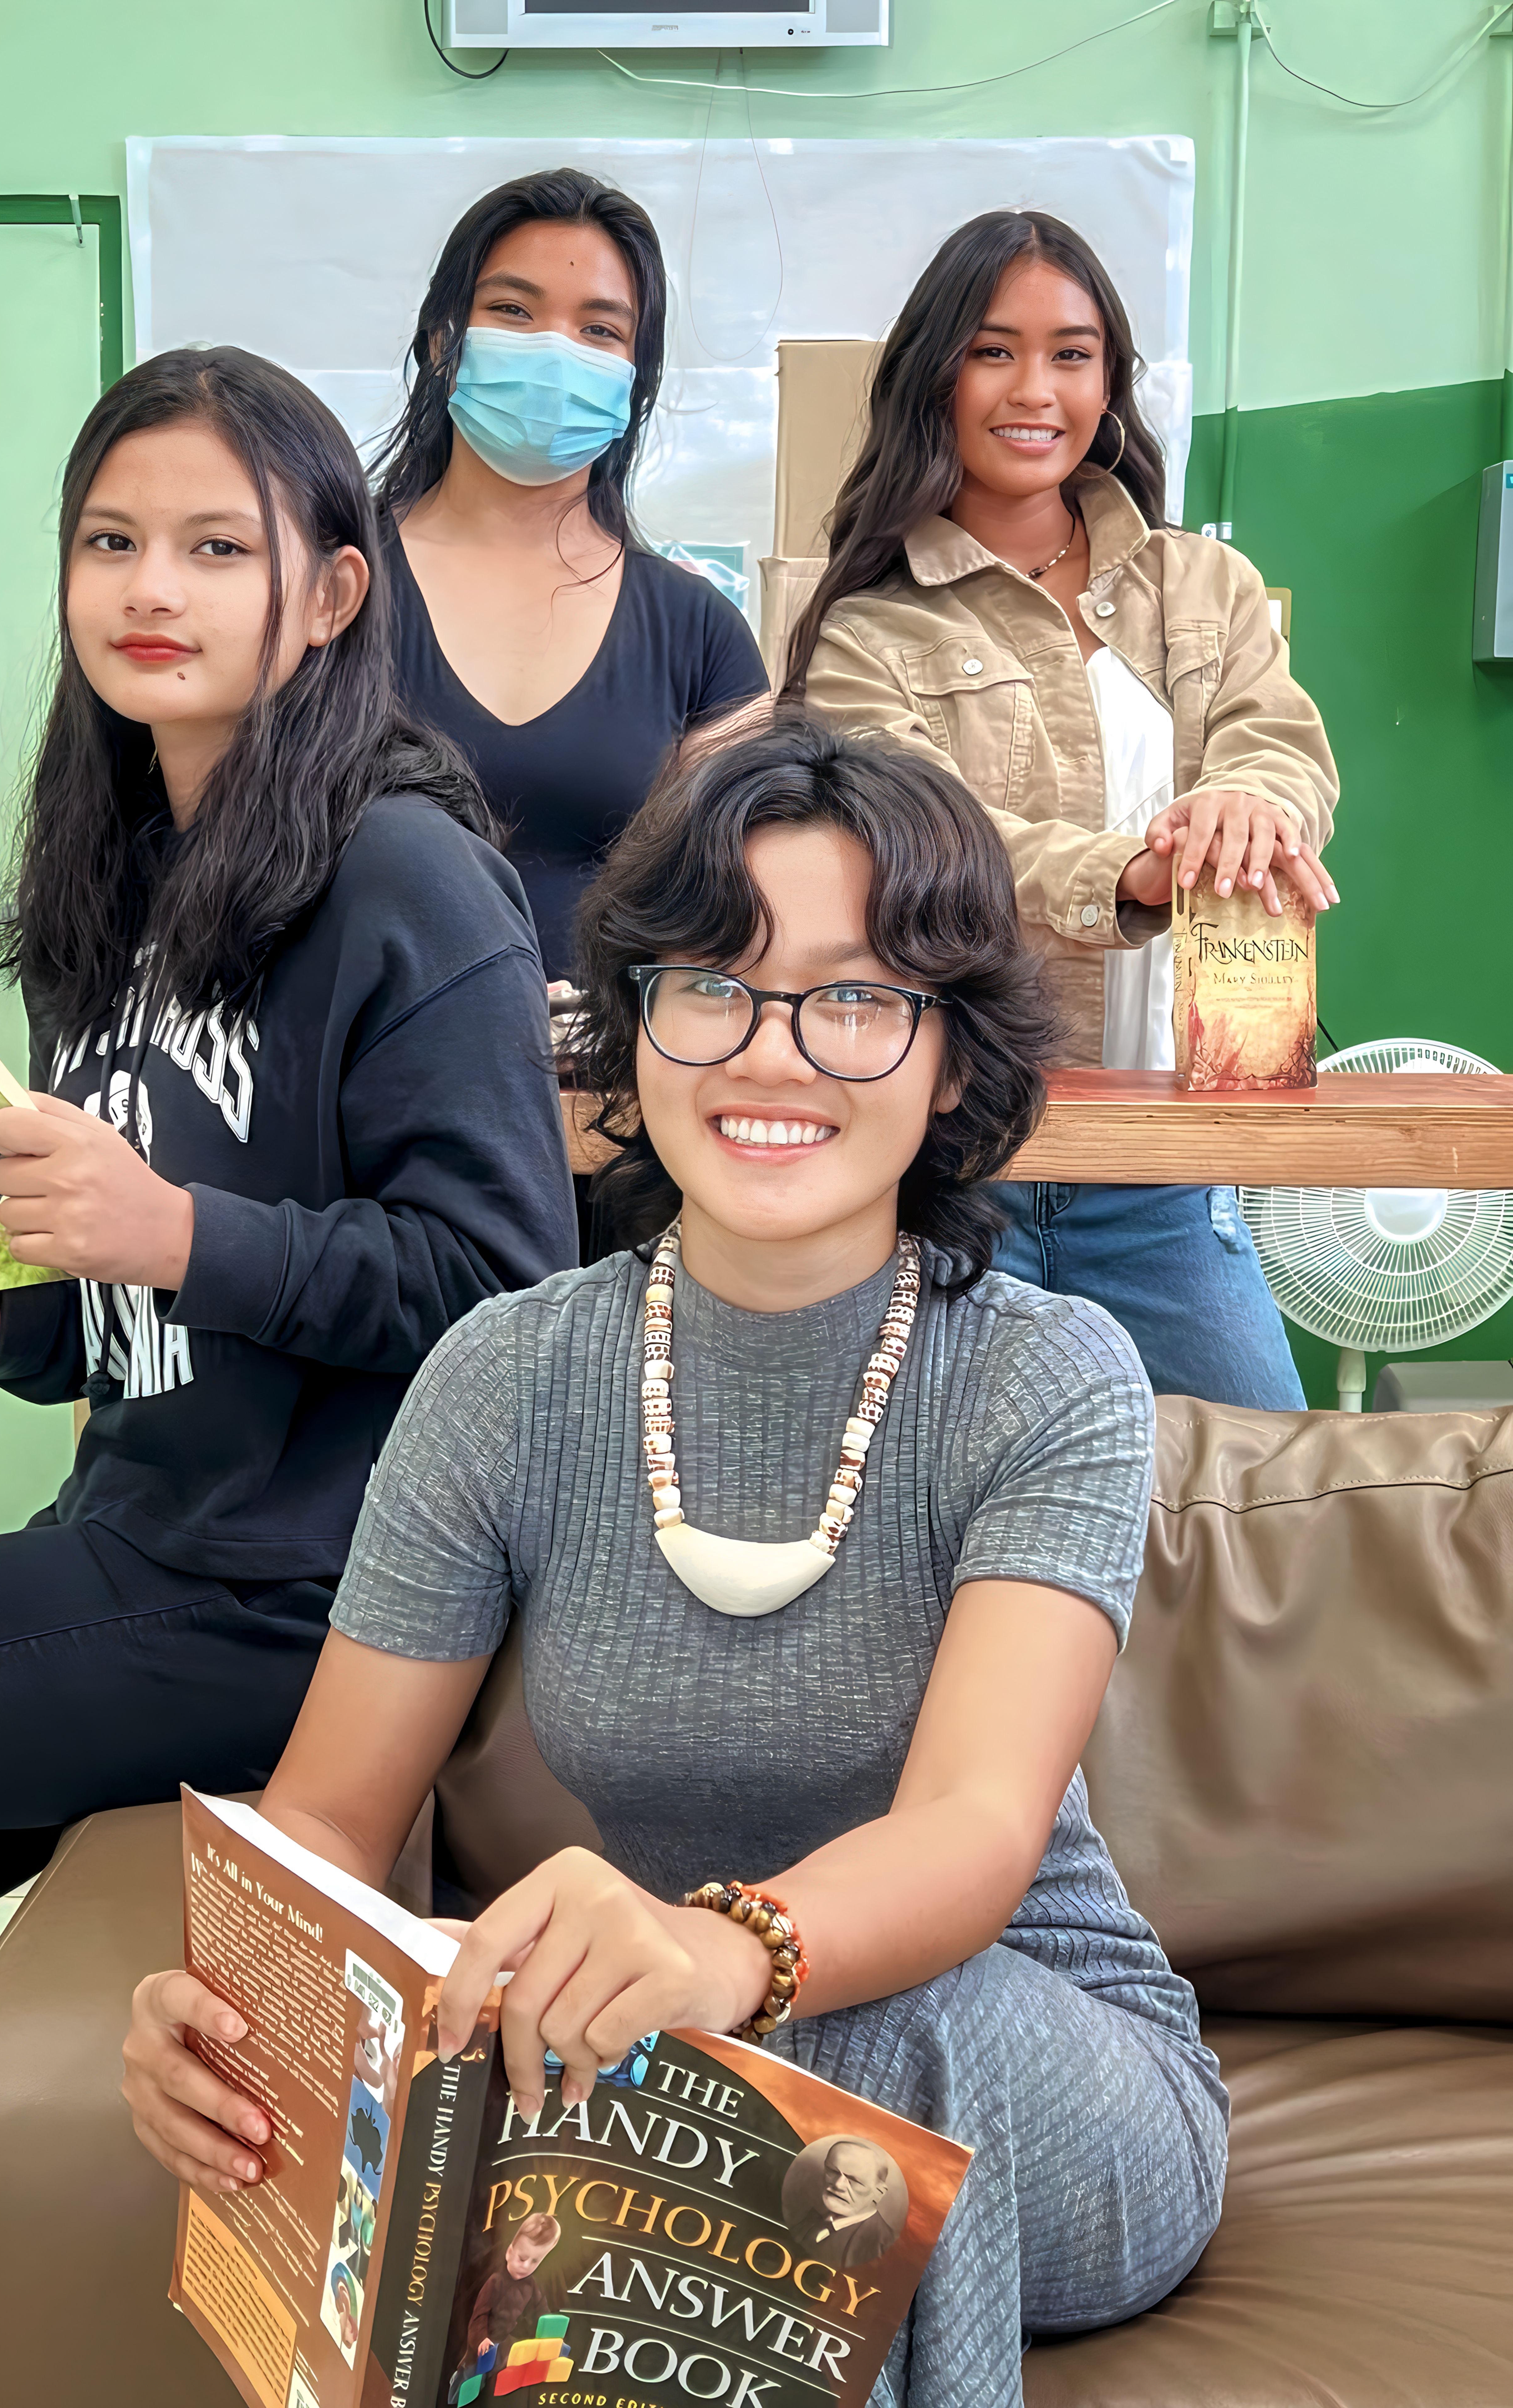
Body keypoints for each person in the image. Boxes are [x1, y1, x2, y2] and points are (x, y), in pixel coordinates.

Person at [122, 714, 1229, 2408]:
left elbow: (972, 1827)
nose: (771, 1056)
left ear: (950, 1057)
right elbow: (330, 1821)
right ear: (634, 1022)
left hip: (1042, 2071)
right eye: (712, 985)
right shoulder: (506, 1373)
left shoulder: (1045, 1371)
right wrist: (225, 1997)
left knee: (867, 2039)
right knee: (565, 2084)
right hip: (668, 2083)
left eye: (854, 1000)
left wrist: (722, 1951)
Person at [0, 345, 576, 2408]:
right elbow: (135, 1315)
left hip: (305, 1607)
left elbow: (505, 1287)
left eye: (212, 545)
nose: (149, 587)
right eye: (110, 541)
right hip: (133, 1547)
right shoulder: (120, 889)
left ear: (332, 591)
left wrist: (172, 1227)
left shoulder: (404, 872)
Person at [785, 210, 1341, 1407]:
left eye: (1071, 354)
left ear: (1109, 382)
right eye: (993, 350)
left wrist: (1247, 797)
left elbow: (1282, 744)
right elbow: (919, 846)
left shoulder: (1206, 584)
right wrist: (1128, 873)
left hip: (1166, 1168)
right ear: (934, 374)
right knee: (916, 1503)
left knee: (1261, 1490)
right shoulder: (866, 630)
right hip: (948, 1165)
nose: (1035, 389)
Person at [373, 167, 769, 986]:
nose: (556, 351)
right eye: (513, 312)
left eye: (599, 330)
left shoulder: (701, 634)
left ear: (634, 378)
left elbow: (740, 898)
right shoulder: (329, 588)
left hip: (607, 1056)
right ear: (443, 340)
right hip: (357, 1054)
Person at [784, 2138, 904, 2270]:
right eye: (833, 2172)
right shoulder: (808, 2219)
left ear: (879, 2192)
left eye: (855, 2181)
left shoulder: (885, 2247)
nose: (838, 2185)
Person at [462, 2213, 563, 2368]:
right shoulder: (496, 2282)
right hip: (483, 2345)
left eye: (535, 2261)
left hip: (505, 2346)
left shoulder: (531, 2286)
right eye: (522, 2259)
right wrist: (482, 2339)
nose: (526, 2266)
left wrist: (551, 2336)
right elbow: (479, 2316)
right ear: (510, 2253)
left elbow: (542, 2313)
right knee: (475, 2373)